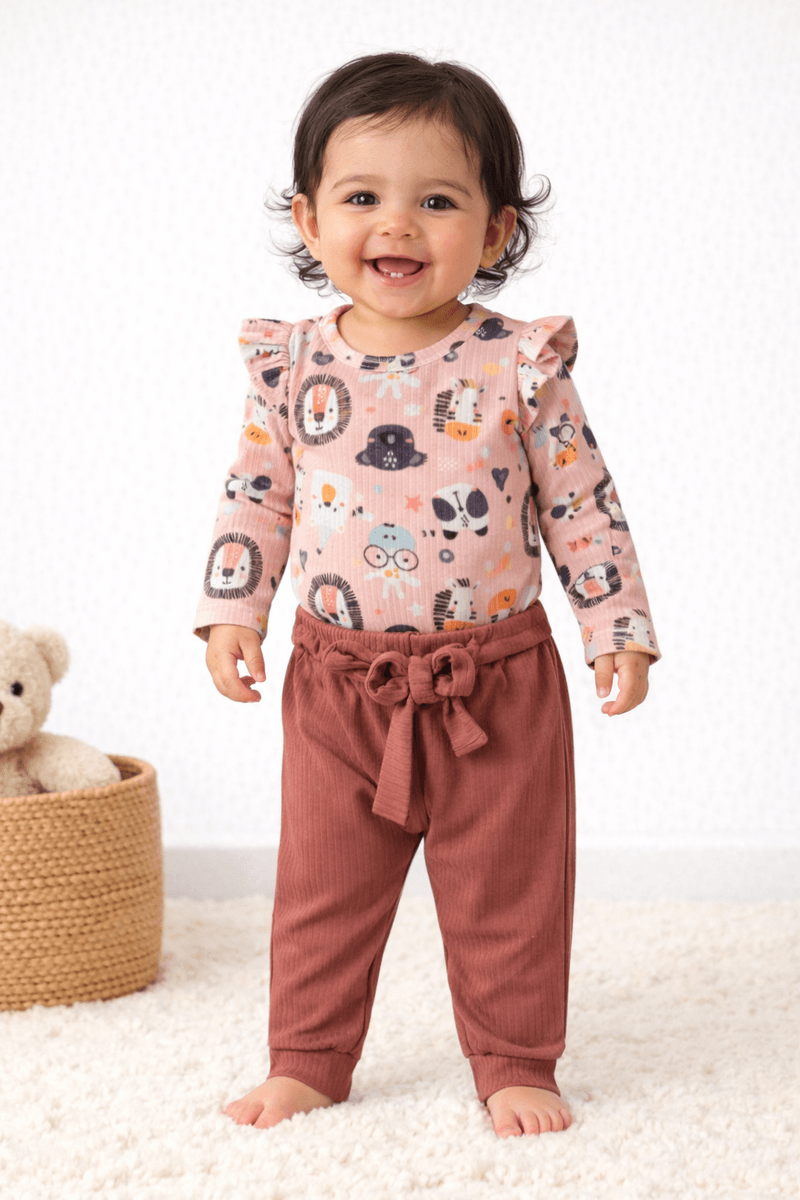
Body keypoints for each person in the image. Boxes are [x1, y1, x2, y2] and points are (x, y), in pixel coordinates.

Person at [194, 51, 661, 1139]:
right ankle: (308, 1056)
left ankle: (515, 1059)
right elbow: (256, 495)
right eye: (362, 197)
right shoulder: (290, 366)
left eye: (437, 202)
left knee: (507, 887)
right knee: (323, 886)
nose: (396, 224)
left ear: (495, 232)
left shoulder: (519, 364)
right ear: (309, 220)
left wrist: (616, 627)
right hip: (336, 684)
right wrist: (231, 611)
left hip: (493, 685)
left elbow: (581, 501)